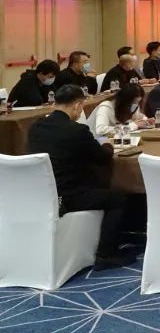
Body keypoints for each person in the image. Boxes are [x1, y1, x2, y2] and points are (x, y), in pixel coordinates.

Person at [27, 84, 134, 270]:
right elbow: (102, 158)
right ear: (77, 106)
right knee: (118, 198)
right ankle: (106, 254)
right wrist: (107, 144)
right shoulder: (76, 130)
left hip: (43, 193)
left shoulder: (35, 127)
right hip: (70, 196)